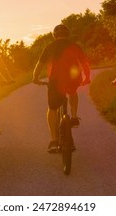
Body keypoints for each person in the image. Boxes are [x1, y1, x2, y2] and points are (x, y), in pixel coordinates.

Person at [32, 24, 91, 153]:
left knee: (52, 108)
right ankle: (74, 117)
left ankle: (54, 140)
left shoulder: (49, 47)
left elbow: (39, 64)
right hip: (73, 78)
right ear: (67, 34)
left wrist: (35, 78)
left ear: (54, 35)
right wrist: (87, 76)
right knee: (73, 92)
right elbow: (84, 62)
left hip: (55, 80)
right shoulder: (74, 46)